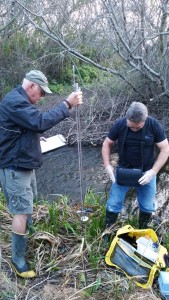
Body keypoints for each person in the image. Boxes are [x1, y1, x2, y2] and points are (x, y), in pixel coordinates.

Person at [0, 70, 83, 278]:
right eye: (41, 93)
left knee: (29, 203)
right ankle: (18, 258)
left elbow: (26, 126)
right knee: (21, 211)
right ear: (31, 87)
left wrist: (34, 137)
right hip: (13, 166)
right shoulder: (14, 101)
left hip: (24, 162)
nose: (42, 97)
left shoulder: (20, 100)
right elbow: (39, 121)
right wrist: (67, 104)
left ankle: (29, 231)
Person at [102, 101, 169, 231]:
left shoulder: (153, 125)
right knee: (113, 203)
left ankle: (141, 232)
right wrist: (107, 166)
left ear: (145, 120)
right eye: (131, 126)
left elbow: (165, 148)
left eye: (137, 127)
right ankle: (108, 232)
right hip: (123, 171)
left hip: (146, 173)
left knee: (147, 206)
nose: (134, 129)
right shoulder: (120, 124)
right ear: (127, 118)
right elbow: (106, 144)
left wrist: (154, 172)